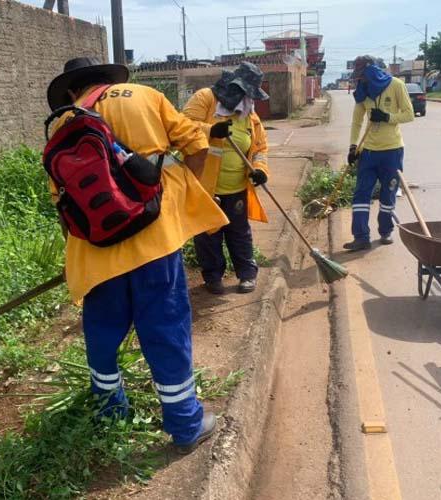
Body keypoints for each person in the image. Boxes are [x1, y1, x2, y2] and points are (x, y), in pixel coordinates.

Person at [45, 57, 229, 454]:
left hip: (96, 251)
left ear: (73, 91)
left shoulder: (63, 123)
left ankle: (110, 416)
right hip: (154, 239)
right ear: (105, 78)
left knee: (101, 335)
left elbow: (60, 199)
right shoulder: (145, 96)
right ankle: (184, 424)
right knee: (165, 329)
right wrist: (180, 197)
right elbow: (197, 145)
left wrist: (89, 242)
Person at [182, 62, 270, 295]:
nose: (247, 99)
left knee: (239, 232)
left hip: (237, 188)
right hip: (205, 186)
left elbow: (260, 146)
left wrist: (260, 169)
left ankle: (247, 274)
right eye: (245, 93)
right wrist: (212, 130)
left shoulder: (249, 114)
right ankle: (212, 277)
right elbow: (182, 126)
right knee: (208, 235)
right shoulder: (206, 99)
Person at [343, 55, 414, 252]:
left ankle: (385, 231)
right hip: (369, 152)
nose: (361, 80)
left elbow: (409, 114)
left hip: (392, 151)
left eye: (363, 75)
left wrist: (387, 117)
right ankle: (361, 237)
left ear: (372, 71)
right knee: (361, 194)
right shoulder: (362, 92)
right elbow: (357, 121)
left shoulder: (397, 85)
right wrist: (352, 147)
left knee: (388, 192)